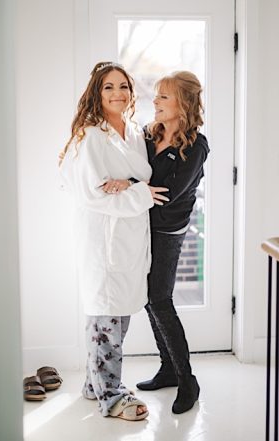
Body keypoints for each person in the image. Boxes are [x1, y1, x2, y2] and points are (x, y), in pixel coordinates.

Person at [58, 61, 169, 421]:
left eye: (123, 86)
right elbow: (92, 194)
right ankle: (111, 396)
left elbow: (133, 183)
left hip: (132, 238)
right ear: (96, 92)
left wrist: (131, 187)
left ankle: (94, 384)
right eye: (109, 87)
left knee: (119, 314)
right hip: (103, 238)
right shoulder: (91, 136)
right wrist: (141, 194)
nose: (118, 93)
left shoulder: (135, 132)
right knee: (105, 316)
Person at [105, 71, 207, 414]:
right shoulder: (150, 134)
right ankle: (168, 369)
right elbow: (145, 178)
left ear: (184, 104)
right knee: (149, 299)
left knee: (159, 299)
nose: (156, 101)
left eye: (164, 96)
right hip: (142, 225)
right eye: (158, 95)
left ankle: (187, 379)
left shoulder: (196, 145)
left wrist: (130, 182)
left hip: (168, 232)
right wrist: (135, 183)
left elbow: (169, 192)